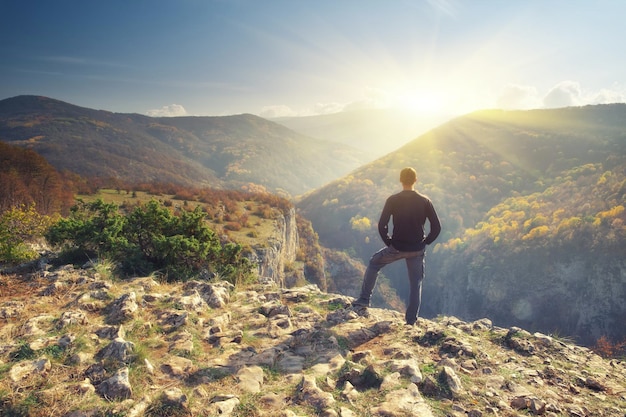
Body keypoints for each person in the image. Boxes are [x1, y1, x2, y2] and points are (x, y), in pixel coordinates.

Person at [352, 167, 441, 325]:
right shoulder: (425, 201)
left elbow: (382, 225)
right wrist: (425, 242)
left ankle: (364, 300)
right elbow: (437, 228)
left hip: (397, 247)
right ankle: (411, 321)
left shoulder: (392, 200)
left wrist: (389, 242)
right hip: (416, 250)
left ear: (401, 180)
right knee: (416, 283)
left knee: (374, 263)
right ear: (415, 180)